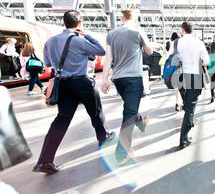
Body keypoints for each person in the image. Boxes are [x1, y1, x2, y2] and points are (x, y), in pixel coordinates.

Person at [32, 10, 116, 174]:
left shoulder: (50, 42)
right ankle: (103, 138)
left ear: (64, 22)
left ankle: (44, 160)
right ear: (79, 23)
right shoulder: (78, 40)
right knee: (96, 113)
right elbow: (101, 51)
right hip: (82, 83)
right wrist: (86, 34)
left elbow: (48, 63)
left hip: (63, 85)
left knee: (61, 120)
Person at [101, 9, 153, 165]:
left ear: (122, 18)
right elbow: (149, 51)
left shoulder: (111, 34)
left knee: (130, 108)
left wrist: (105, 80)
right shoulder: (137, 32)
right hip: (133, 78)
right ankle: (121, 154)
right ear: (135, 19)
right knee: (129, 113)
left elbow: (108, 58)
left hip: (118, 79)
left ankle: (142, 123)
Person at [169, 22, 209, 149]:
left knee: (187, 104)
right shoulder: (199, 42)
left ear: (182, 30)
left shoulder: (176, 42)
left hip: (180, 77)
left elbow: (170, 58)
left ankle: (189, 122)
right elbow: (206, 61)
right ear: (193, 31)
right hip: (195, 76)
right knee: (190, 106)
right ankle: (183, 138)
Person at [168, 32, 182, 112]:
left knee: (178, 86)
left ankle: (177, 103)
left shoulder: (174, 43)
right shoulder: (185, 42)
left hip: (177, 67)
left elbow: (169, 55)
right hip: (187, 66)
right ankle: (184, 102)